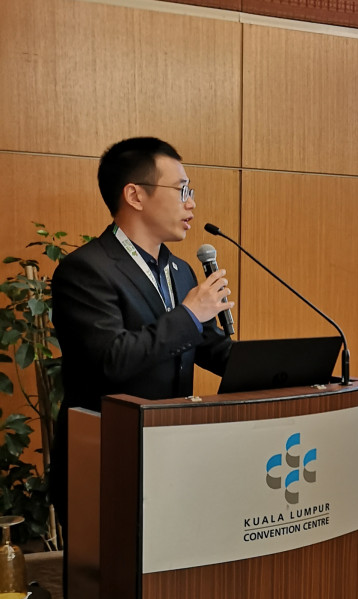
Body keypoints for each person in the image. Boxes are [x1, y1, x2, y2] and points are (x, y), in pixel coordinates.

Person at [49, 137, 234, 553]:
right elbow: (111, 359)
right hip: (107, 463)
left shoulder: (180, 271)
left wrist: (279, 366)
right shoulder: (85, 270)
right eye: (181, 190)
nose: (191, 203)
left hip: (173, 456)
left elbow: (208, 347)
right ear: (134, 195)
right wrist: (190, 314)